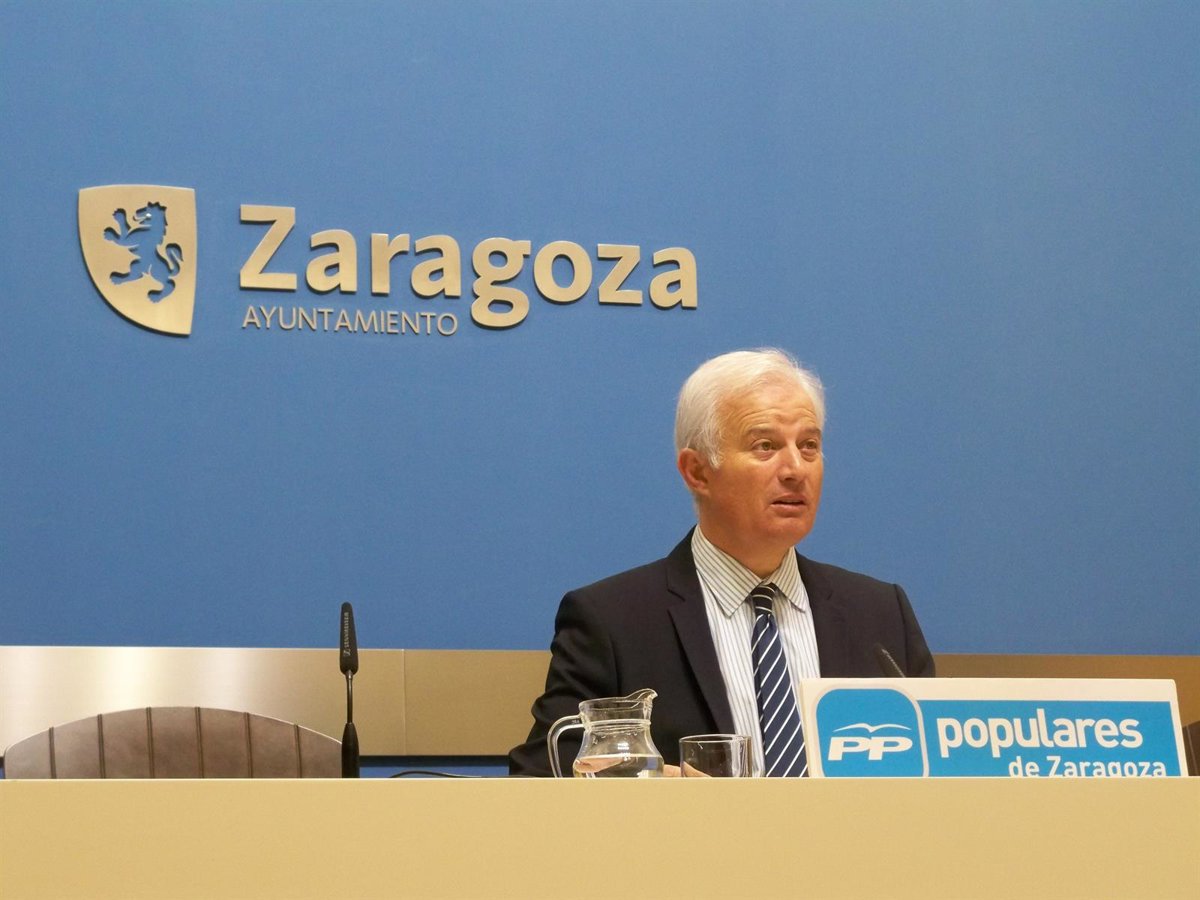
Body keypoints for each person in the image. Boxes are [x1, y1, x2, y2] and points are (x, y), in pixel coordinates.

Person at [508, 348, 934, 777]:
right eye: (765, 446)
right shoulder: (613, 622)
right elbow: (541, 776)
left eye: (809, 446)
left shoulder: (880, 616)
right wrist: (646, 783)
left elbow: (941, 773)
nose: (795, 469)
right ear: (697, 472)